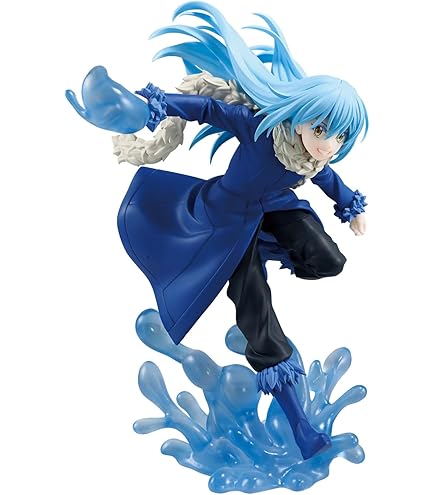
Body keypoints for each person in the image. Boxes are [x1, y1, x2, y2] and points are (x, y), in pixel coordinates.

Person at [66, 2, 368, 459]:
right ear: (300, 114)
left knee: (329, 260)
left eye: (340, 137)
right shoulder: (260, 129)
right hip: (226, 219)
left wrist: (348, 206)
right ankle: (301, 426)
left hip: (279, 210)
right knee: (258, 319)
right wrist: (151, 108)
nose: (328, 145)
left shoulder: (309, 157)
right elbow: (208, 108)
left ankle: (265, 248)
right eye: (323, 129)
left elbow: (326, 176)